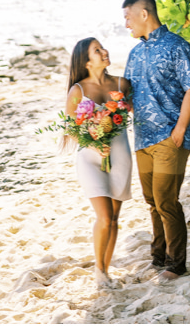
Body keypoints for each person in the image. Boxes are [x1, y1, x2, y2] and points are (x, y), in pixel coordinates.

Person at [122, 0, 190, 284]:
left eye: (128, 17)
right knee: (152, 201)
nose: (127, 24)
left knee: (167, 201)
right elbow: (127, 93)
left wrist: (181, 128)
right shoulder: (135, 53)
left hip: (171, 136)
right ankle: (158, 256)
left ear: (144, 14)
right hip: (142, 138)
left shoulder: (177, 46)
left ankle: (176, 264)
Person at [64, 37, 132, 290]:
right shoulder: (78, 91)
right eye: (97, 50)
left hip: (120, 155)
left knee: (114, 217)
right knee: (103, 217)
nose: (104, 52)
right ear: (86, 60)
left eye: (103, 47)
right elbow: (70, 128)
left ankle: (106, 267)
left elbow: (140, 109)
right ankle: (99, 271)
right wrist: (93, 143)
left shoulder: (121, 84)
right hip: (91, 158)